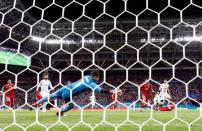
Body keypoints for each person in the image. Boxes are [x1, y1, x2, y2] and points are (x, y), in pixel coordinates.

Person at [32, 71, 116, 116]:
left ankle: (36, 103)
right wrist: (110, 91)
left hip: (65, 87)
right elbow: (100, 90)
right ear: (94, 77)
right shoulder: (91, 83)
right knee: (71, 106)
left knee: (51, 96)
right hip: (68, 93)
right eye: (97, 77)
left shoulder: (86, 76)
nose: (98, 79)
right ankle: (60, 112)